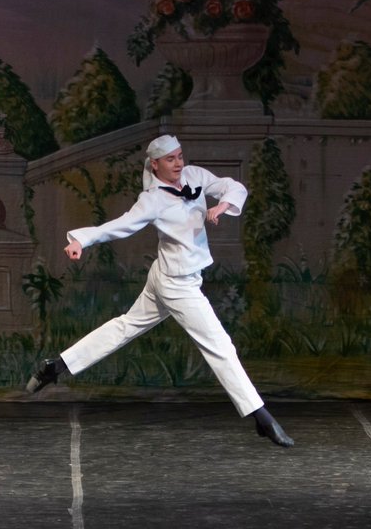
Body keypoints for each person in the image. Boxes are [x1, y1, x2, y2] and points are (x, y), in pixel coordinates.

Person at [25, 135, 293, 448]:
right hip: (177, 285)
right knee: (220, 345)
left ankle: (55, 365)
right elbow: (121, 225)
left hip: (167, 275)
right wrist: (81, 240)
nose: (178, 163)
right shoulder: (152, 199)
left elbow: (233, 185)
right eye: (170, 159)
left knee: (126, 326)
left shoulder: (194, 176)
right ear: (155, 164)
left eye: (180, 156)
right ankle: (262, 417)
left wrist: (223, 205)